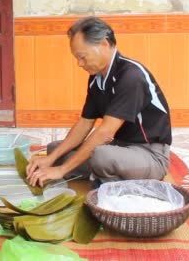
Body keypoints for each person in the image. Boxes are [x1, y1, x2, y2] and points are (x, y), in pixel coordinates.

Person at [26, 17, 172, 188]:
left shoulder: (131, 76)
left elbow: (105, 133)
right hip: (119, 148)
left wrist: (61, 170)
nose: (79, 64)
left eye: (82, 57)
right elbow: (84, 124)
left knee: (100, 156)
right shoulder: (96, 78)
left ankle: (113, 182)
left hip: (149, 154)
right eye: (77, 58)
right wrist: (50, 159)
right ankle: (105, 175)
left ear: (103, 44)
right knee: (55, 149)